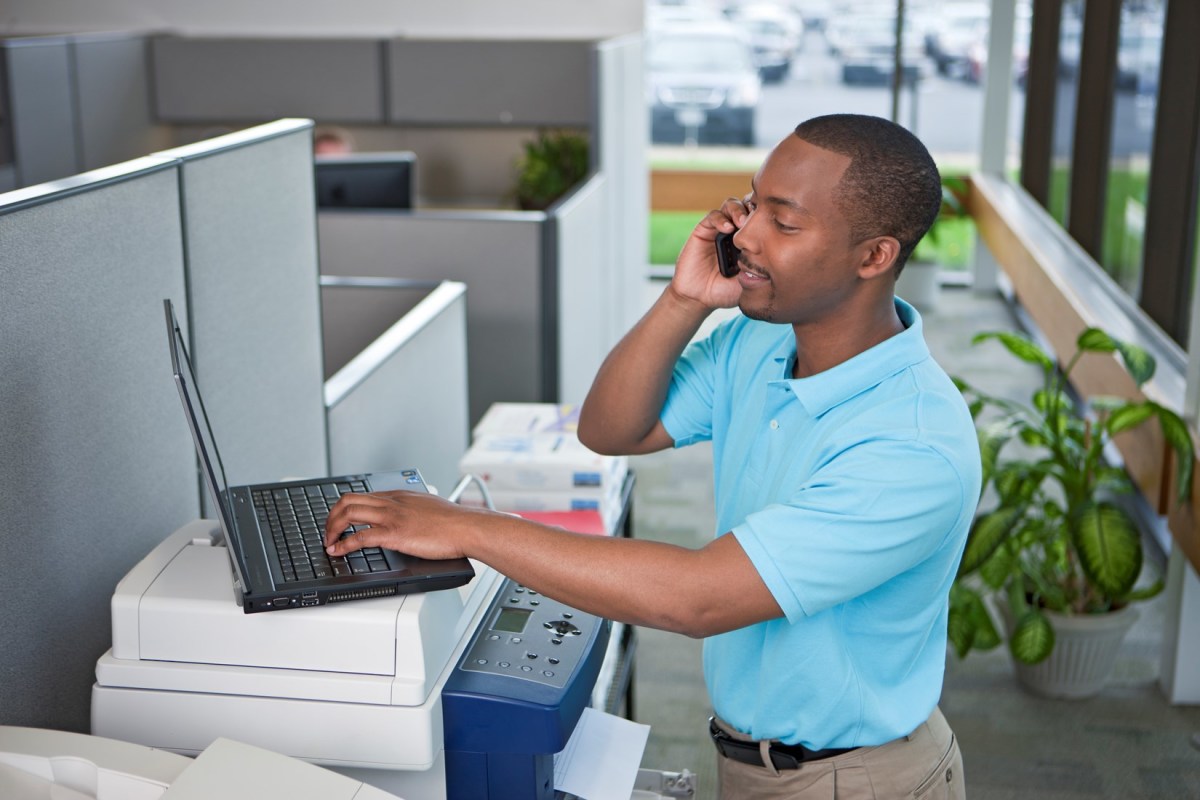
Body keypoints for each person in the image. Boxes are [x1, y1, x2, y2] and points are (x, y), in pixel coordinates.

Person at [324, 113, 981, 799]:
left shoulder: (913, 447)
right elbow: (612, 430)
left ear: (874, 256)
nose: (745, 235)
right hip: (753, 758)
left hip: (855, 778)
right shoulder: (761, 343)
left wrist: (464, 527)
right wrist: (682, 301)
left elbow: (697, 598)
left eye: (784, 225)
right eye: (754, 203)